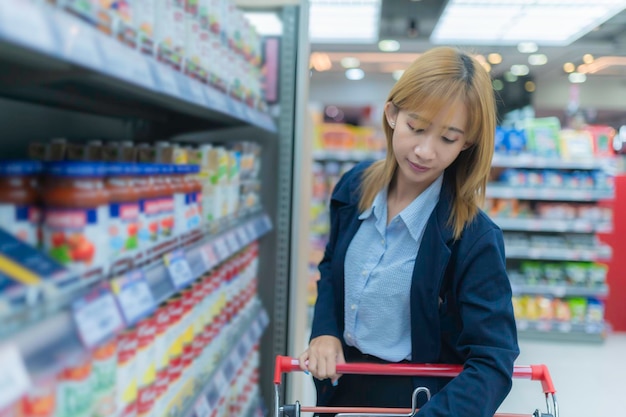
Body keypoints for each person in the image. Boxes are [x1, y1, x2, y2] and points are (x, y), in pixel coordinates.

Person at [298, 46, 520, 417]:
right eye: (416, 127)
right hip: (342, 389)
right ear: (392, 114)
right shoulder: (354, 188)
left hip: (420, 402)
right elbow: (332, 266)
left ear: (467, 143)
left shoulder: (474, 238)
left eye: (448, 138)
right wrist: (325, 331)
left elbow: (493, 362)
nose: (425, 151)